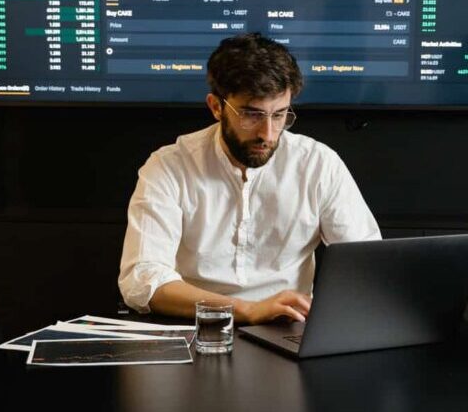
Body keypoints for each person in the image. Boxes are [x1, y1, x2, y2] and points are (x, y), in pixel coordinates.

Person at [118, 33, 380, 325]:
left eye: (280, 115)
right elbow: (141, 282)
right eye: (251, 115)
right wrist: (246, 309)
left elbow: (368, 266)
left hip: (291, 329)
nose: (267, 134)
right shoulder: (169, 166)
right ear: (216, 107)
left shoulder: (318, 163)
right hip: (195, 328)